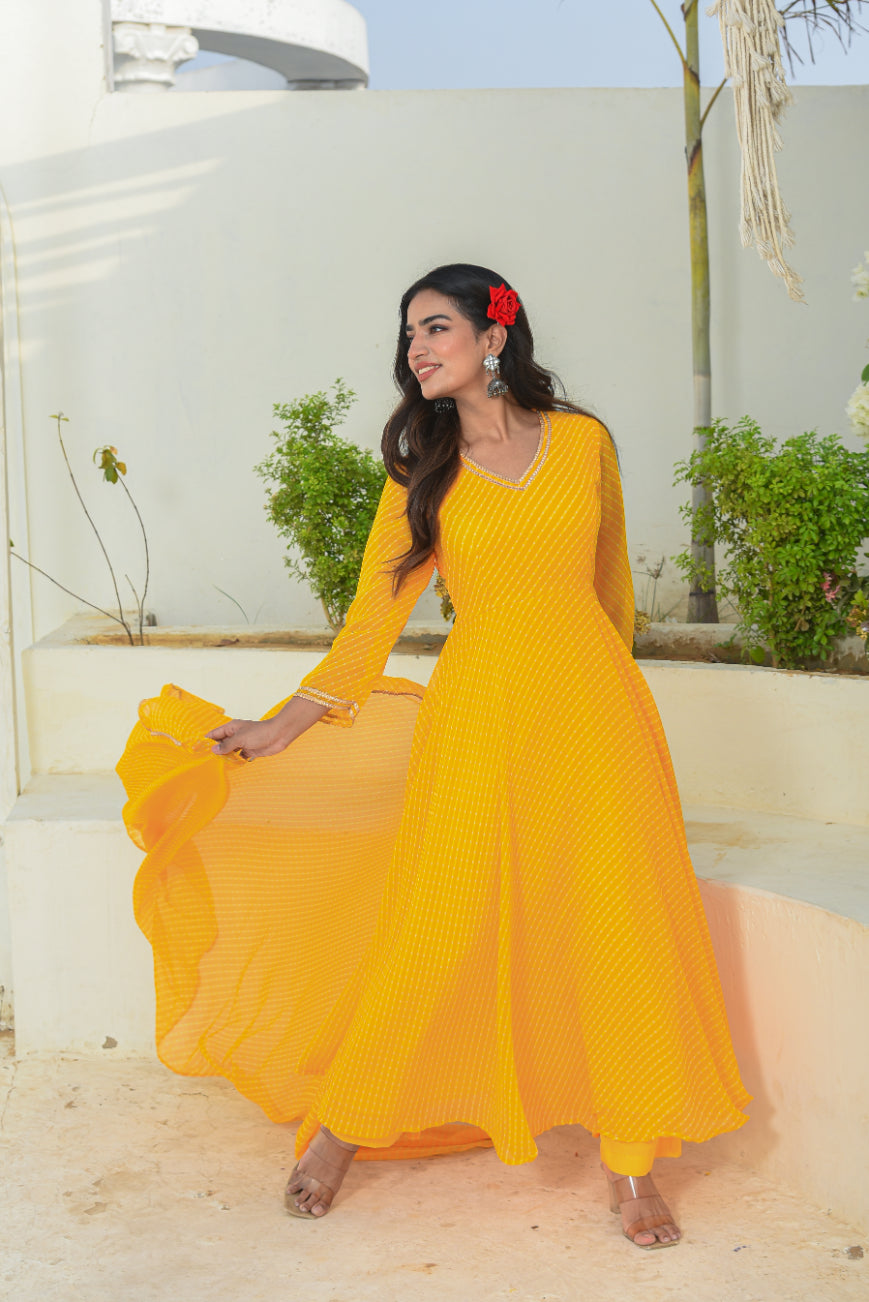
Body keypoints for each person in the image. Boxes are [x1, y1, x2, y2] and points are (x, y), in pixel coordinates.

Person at [118, 263, 749, 1250]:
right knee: (439, 922)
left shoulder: (582, 444)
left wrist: (605, 697)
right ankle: (342, 1125)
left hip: (594, 718)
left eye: (436, 326)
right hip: (479, 717)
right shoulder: (423, 462)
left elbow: (608, 591)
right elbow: (374, 613)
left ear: (494, 337)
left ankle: (631, 1163)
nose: (416, 347)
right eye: (409, 332)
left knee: (615, 921)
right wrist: (285, 721)